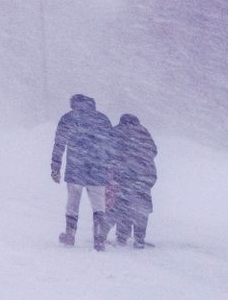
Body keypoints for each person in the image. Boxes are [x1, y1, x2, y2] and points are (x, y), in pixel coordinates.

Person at [50, 94, 113, 250]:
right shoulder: (103, 119)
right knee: (99, 206)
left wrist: (55, 167)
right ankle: (99, 237)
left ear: (73, 104)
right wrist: (111, 168)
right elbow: (112, 146)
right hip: (98, 170)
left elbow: (59, 144)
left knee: (72, 204)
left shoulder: (68, 118)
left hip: (75, 168)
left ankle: (70, 234)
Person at [108, 113, 157, 248]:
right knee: (141, 207)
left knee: (123, 205)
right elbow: (154, 151)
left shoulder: (116, 131)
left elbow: (107, 152)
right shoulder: (143, 132)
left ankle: (122, 237)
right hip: (145, 175)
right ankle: (139, 239)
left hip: (123, 176)